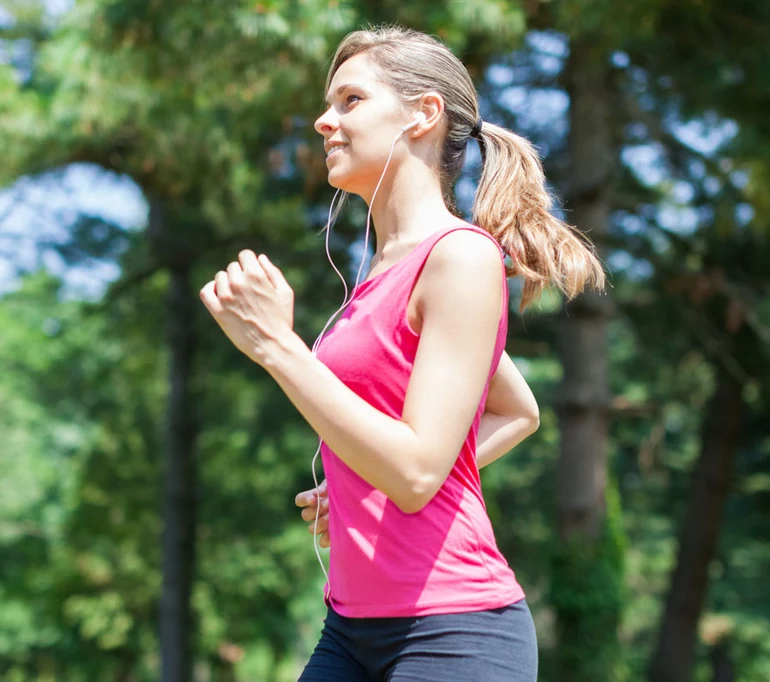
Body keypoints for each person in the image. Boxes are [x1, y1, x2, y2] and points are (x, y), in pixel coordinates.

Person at [200, 25, 606, 682]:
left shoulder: (461, 259)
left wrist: (279, 347)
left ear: (423, 114)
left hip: (453, 632)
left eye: (350, 100)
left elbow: (418, 473)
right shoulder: (383, 272)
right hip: (350, 629)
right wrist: (360, 483)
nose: (323, 121)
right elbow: (515, 409)